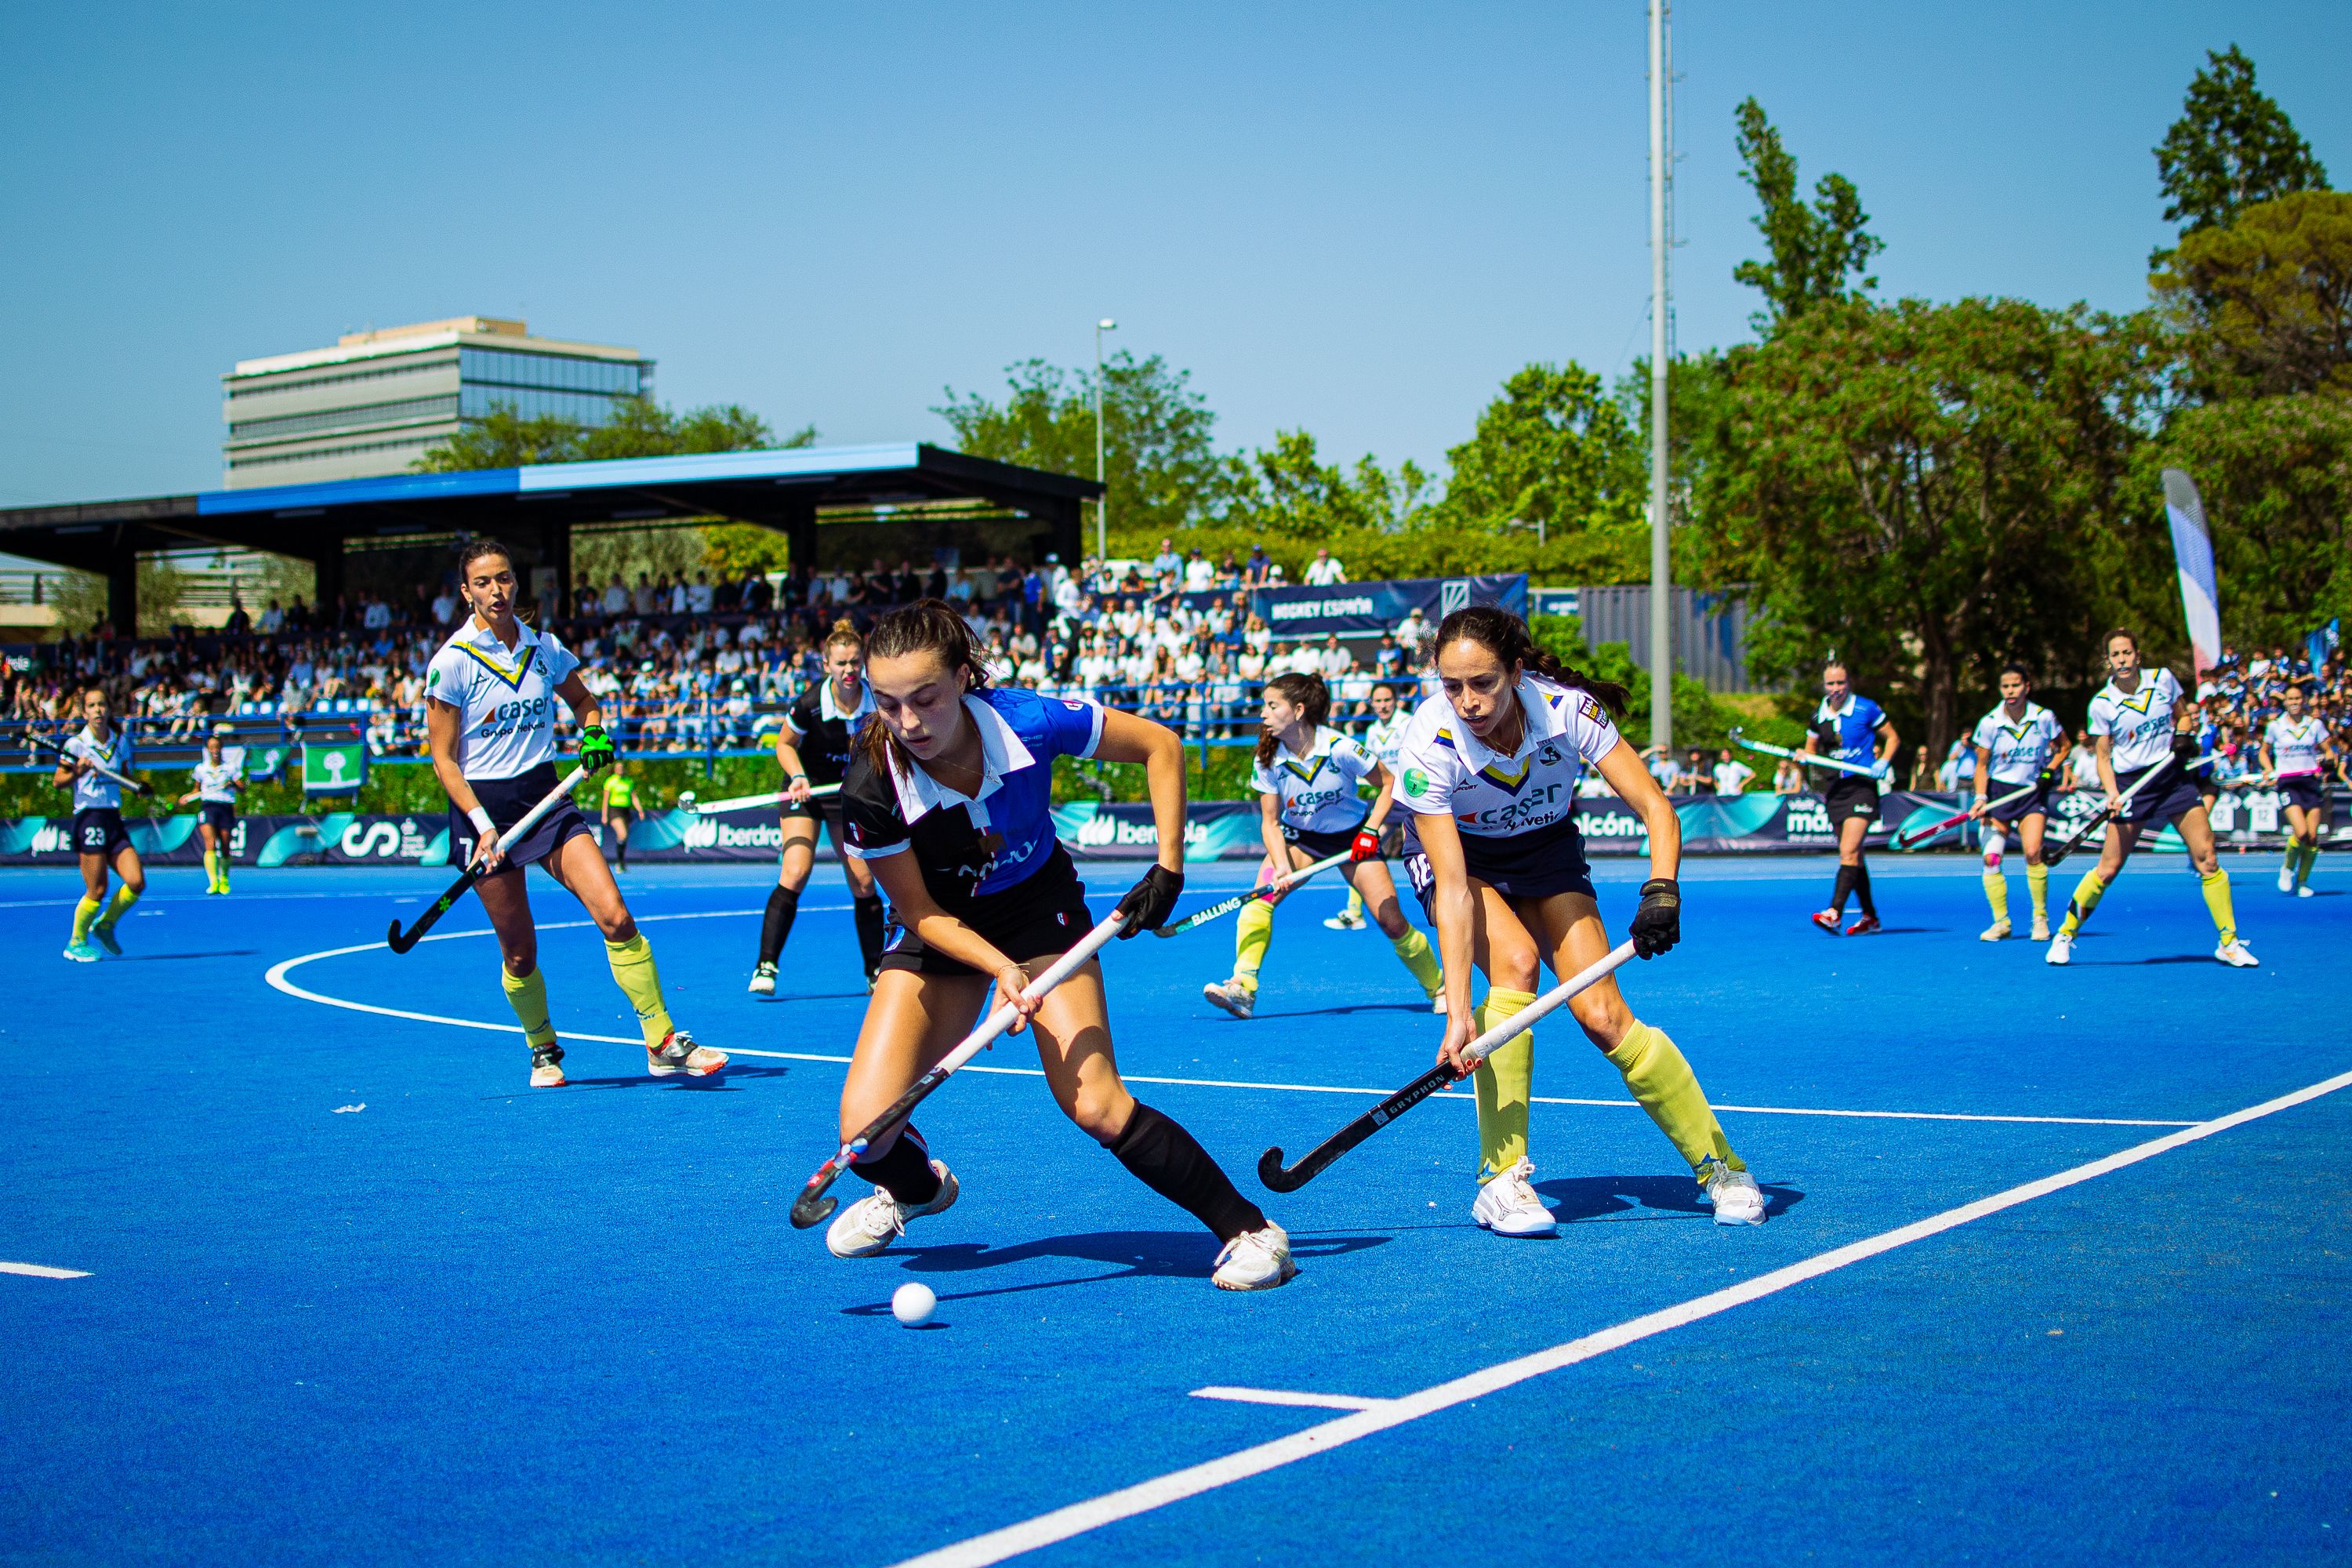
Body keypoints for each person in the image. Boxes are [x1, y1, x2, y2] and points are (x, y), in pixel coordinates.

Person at [825, 600, 1294, 1290]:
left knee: (1095, 1103)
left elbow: (1160, 745)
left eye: (926, 698)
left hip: (1038, 910)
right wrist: (1001, 970)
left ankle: (1251, 1230)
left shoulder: (1028, 720)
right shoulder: (871, 783)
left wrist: (1168, 868)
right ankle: (919, 1190)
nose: (908, 722)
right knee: (866, 1131)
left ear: (962, 678)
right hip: (943, 928)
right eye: (887, 703)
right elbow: (919, 912)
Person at [1395, 607, 1762, 1236]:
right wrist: (1458, 1014)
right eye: (1451, 685)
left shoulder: (1567, 712)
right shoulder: (1429, 741)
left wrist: (1662, 890)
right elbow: (1453, 891)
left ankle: (1722, 1167)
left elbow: (1656, 809)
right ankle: (1500, 1180)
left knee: (1603, 1015)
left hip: (1547, 849)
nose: (1467, 701)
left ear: (1516, 672)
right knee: (1515, 964)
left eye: (1482, 683)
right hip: (1460, 858)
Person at [427, 539, 726, 1088]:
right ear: (467, 592)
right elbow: (443, 760)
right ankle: (542, 1048)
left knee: (616, 915)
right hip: (483, 812)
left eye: (504, 578)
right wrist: (483, 825)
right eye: (484, 582)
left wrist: (593, 735)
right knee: (519, 953)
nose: (497, 590)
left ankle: (662, 1042)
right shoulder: (452, 663)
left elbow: (586, 703)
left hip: (547, 798)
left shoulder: (544, 649)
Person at [1202, 672, 1443, 1019]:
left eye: (1272, 706)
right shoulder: (1267, 760)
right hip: (1301, 840)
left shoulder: (1341, 749)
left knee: (1392, 922)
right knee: (1259, 902)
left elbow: (1390, 784)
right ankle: (1243, 987)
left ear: (1298, 710)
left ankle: (1440, 988)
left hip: (1352, 838)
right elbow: (1270, 822)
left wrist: (1370, 831)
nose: (1263, 713)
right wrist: (1281, 865)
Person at [2048, 629, 2254, 968]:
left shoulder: (2163, 679)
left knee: (2207, 857)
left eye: (2127, 652)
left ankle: (2229, 942)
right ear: (2108, 661)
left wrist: (2183, 735)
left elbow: (2183, 714)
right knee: (2108, 869)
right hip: (2132, 785)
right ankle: (2065, 934)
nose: (2122, 660)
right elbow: (2103, 757)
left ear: (2138, 655)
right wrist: (2112, 793)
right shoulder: (2102, 703)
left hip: (2171, 778)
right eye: (2116, 655)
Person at [756, 620, 887, 994]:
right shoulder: (809, 705)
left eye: (855, 663)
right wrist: (798, 776)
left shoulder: (878, 701)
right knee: (796, 871)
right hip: (807, 792)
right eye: (841, 663)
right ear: (827, 665)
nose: (849, 671)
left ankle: (875, 971)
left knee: (864, 882)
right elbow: (784, 745)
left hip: (851, 796)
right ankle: (766, 966)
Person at [1968, 664, 2070, 942]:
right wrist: (1980, 798)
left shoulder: (2044, 717)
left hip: (2031, 793)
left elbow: (2064, 747)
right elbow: (1981, 766)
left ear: (2027, 686)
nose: (2010, 691)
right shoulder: (1990, 722)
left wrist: (2050, 770)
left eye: (2016, 685)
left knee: (2033, 852)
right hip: (1999, 794)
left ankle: (2040, 918)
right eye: (2005, 686)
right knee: (1991, 859)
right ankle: (2001, 922)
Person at [1804, 662, 1899, 935]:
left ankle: (1834, 912)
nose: (1836, 689)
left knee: (1848, 850)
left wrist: (1883, 762)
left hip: (1862, 786)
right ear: (1824, 685)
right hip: (1835, 789)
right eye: (1831, 684)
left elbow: (1893, 738)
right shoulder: (1818, 716)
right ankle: (1871, 917)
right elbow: (1811, 749)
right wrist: (1805, 757)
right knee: (1854, 856)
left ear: (1849, 682)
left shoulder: (1866, 708)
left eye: (1841, 683)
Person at [56, 686, 146, 961]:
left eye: (102, 705)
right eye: (92, 706)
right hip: (90, 818)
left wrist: (138, 787)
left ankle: (106, 924)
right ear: (84, 712)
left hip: (113, 818)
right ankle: (75, 942)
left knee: (136, 881)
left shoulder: (120, 742)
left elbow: (125, 776)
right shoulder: (76, 745)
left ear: (109, 709)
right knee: (97, 889)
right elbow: (58, 781)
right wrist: (78, 771)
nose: (98, 710)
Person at [1329, 680, 1412, 931]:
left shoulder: (1408, 723)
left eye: (1387, 700)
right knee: (1364, 848)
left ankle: (1448, 907)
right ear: (1371, 704)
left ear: (1396, 701)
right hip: (1390, 799)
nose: (1383, 705)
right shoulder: (1373, 731)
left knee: (1423, 853)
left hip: (1413, 797)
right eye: (1378, 701)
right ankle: (1354, 912)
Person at [2260, 681, 2335, 897]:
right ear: (2285, 702)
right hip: (2288, 783)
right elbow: (2264, 752)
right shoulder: (2275, 726)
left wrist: (2329, 759)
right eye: (2290, 699)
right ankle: (2287, 869)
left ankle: (2302, 882)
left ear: (2304, 701)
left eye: (2298, 698)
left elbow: (2328, 750)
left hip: (2310, 782)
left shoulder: (2314, 725)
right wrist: (2269, 769)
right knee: (2300, 832)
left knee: (2312, 838)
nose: (2294, 702)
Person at [178, 723, 244, 895]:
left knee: (225, 845)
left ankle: (224, 879)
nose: (215, 750)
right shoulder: (201, 768)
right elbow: (196, 790)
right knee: (210, 843)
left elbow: (242, 788)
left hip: (226, 805)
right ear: (208, 750)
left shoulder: (230, 767)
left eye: (217, 747)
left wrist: (233, 784)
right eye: (212, 747)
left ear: (221, 748)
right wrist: (187, 797)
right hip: (208, 806)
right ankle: (213, 881)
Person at [598, 759, 638, 872]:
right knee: (622, 834)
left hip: (626, 810)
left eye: (622, 768)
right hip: (615, 810)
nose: (620, 770)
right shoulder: (610, 782)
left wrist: (640, 810)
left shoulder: (629, 781)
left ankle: (621, 861)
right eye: (618, 768)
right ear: (615, 769)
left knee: (623, 838)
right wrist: (604, 815)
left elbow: (634, 797)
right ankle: (620, 863)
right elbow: (605, 800)